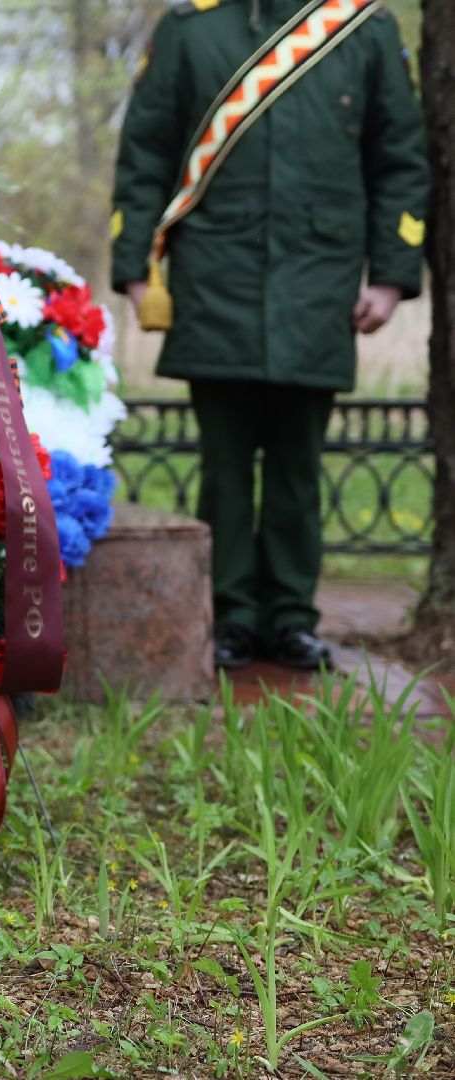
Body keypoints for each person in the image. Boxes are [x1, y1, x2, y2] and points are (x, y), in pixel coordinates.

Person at [112, 0, 427, 670]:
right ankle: (226, 619)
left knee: (297, 467)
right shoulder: (190, 29)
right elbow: (145, 151)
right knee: (222, 466)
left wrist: (393, 274)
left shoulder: (361, 30)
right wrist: (134, 266)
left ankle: (290, 619)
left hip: (323, 282)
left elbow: (399, 156)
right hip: (212, 277)